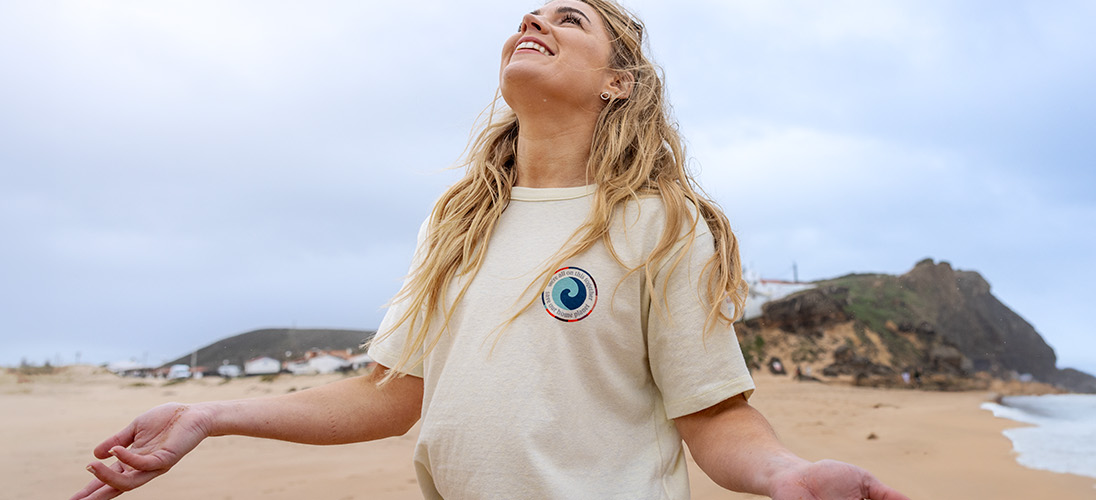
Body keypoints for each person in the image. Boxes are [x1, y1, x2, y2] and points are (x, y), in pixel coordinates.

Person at [68, 1, 912, 499]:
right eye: (527, 15)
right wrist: (209, 416)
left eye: (567, 18)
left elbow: (714, 414)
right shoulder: (460, 222)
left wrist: (787, 476)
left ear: (620, 82)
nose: (533, 19)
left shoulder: (660, 222)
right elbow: (390, 398)